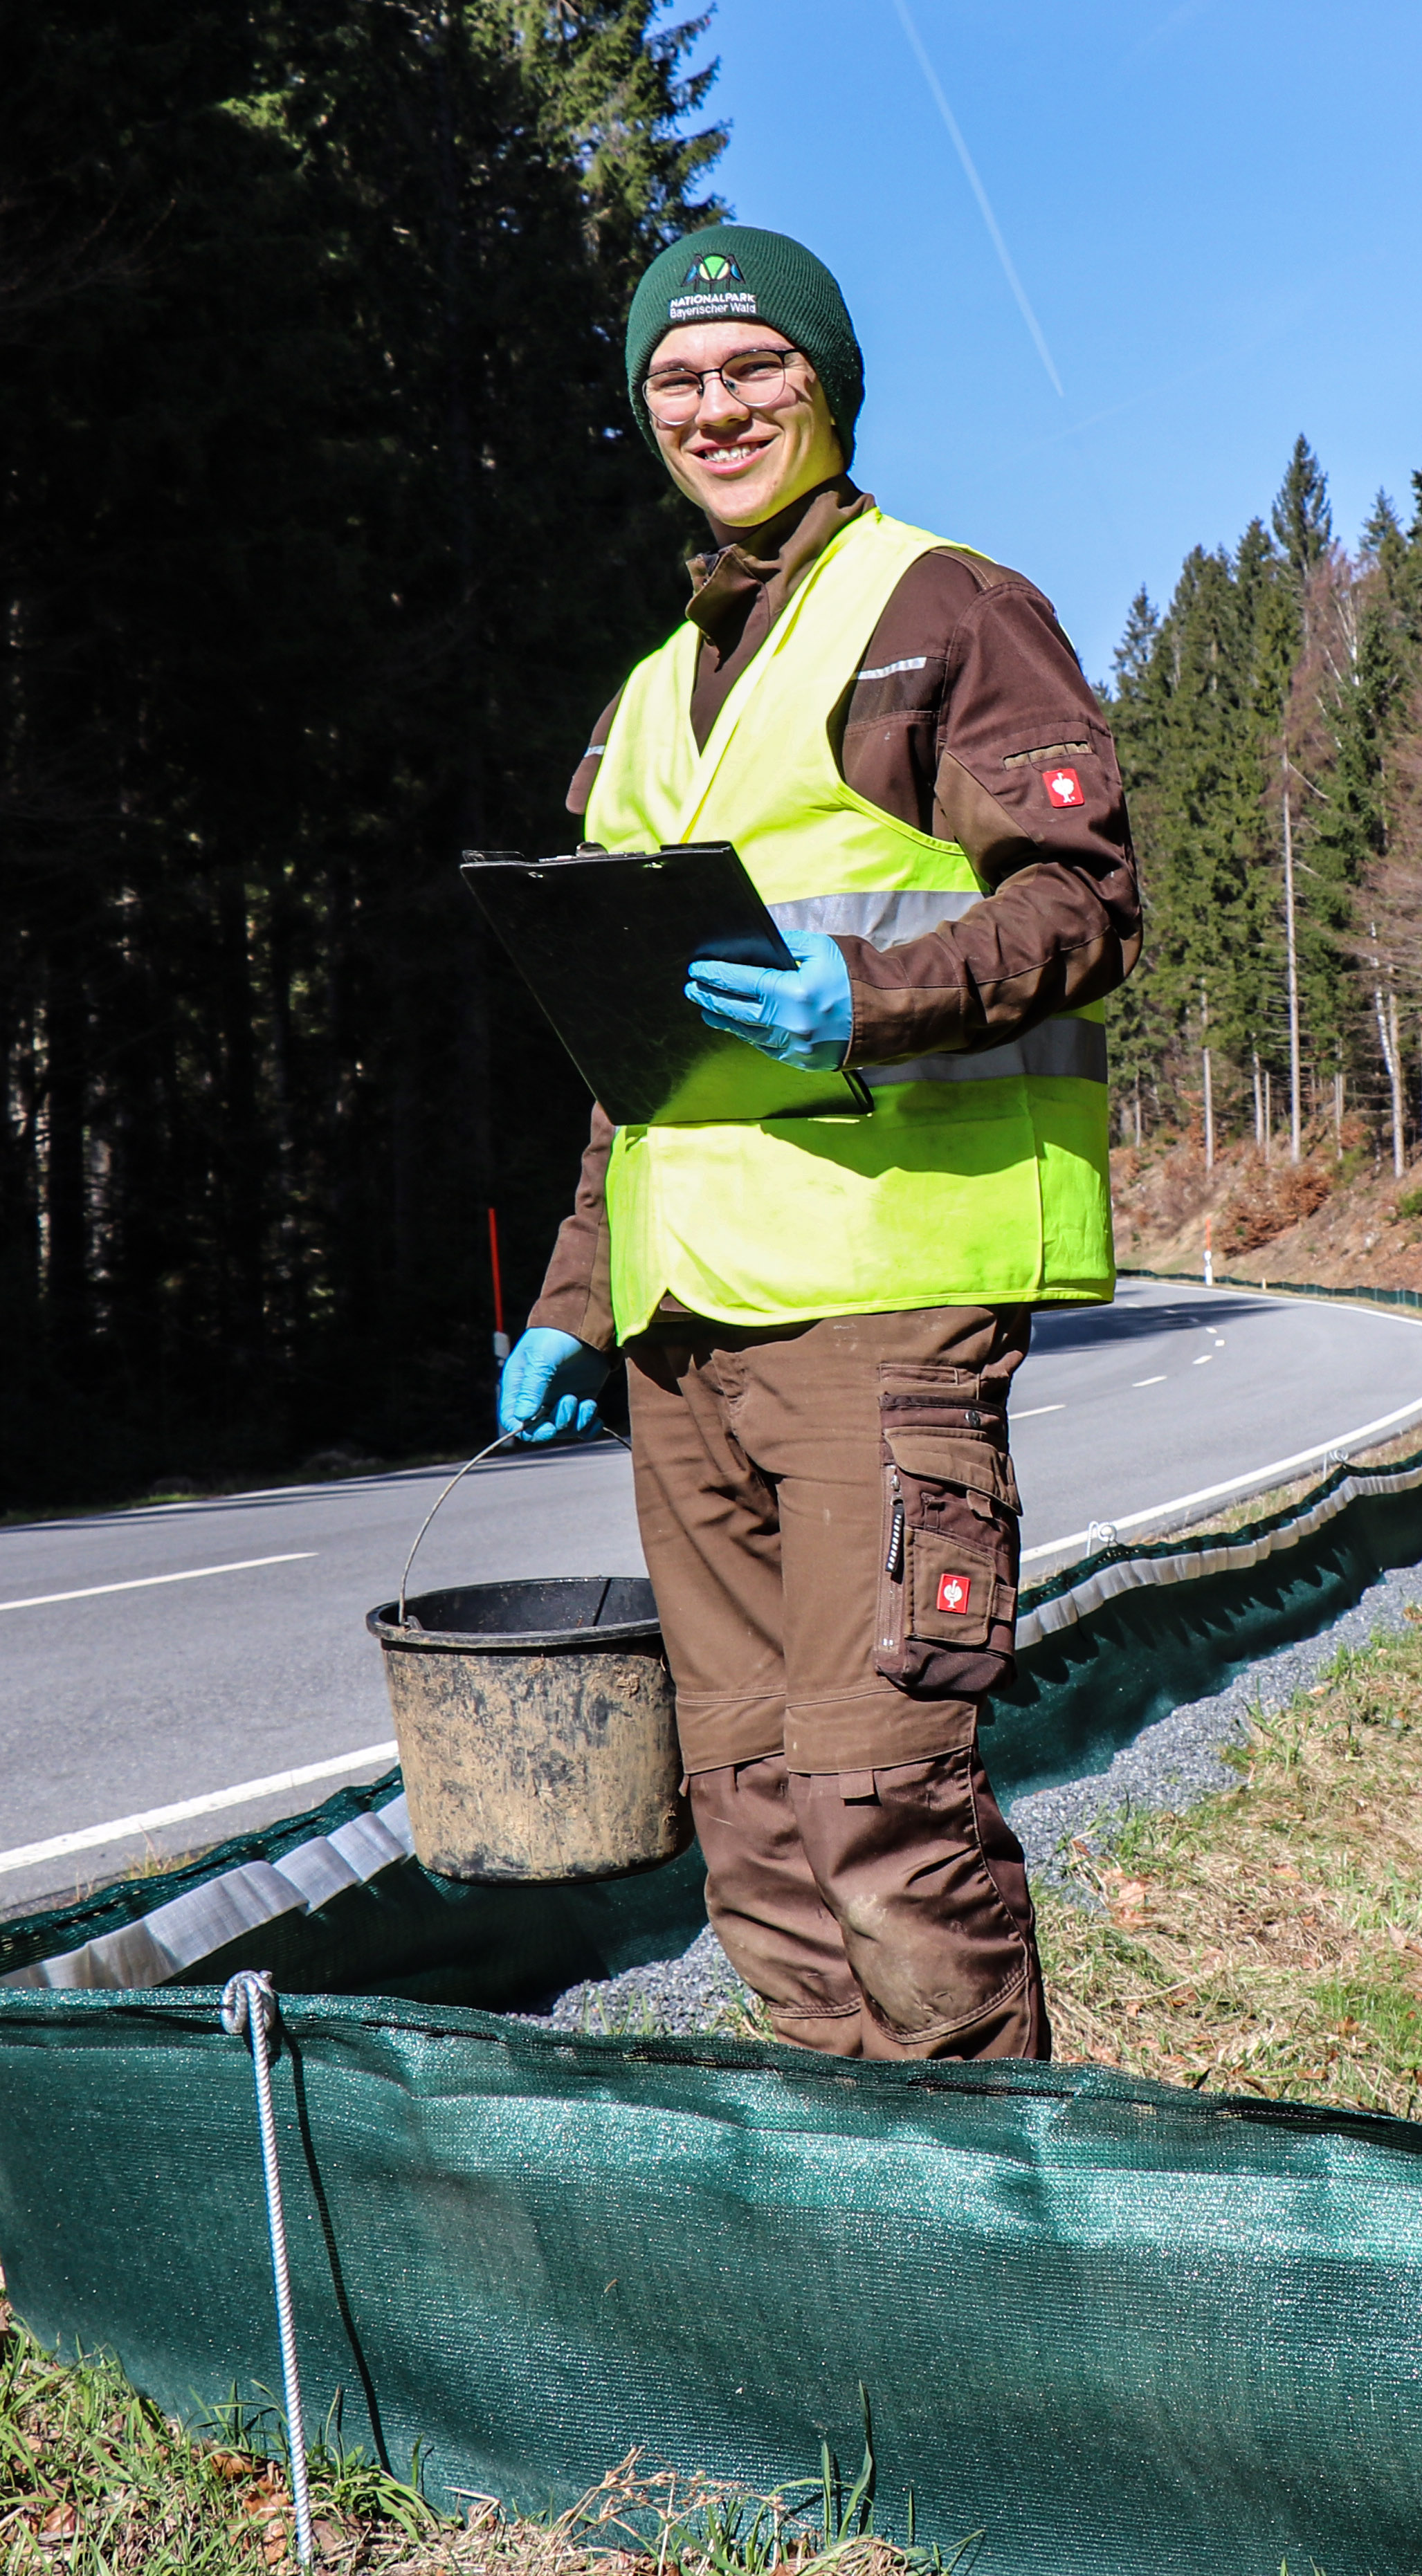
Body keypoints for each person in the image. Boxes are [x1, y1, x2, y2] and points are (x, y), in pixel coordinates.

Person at [492, 222, 1134, 2061]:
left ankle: (991, 2266)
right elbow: (630, 1053)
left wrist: (873, 998)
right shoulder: (639, 708)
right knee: (757, 1826)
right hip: (686, 1330)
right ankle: (860, 2251)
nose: (718, 405)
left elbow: (1081, 901)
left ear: (828, 384)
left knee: (881, 1809)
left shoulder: (945, 612)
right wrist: (573, 1297)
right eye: (678, 380)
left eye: (756, 365)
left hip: (883, 1307)